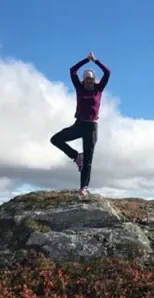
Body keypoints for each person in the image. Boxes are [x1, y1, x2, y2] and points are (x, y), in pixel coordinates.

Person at [50, 51, 111, 197]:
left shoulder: (98, 90)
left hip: (92, 127)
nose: (89, 80)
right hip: (79, 125)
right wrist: (86, 60)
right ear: (83, 80)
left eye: (91, 78)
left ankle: (84, 188)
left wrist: (95, 61)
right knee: (55, 139)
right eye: (87, 78)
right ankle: (76, 156)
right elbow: (72, 71)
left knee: (89, 159)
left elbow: (107, 72)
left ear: (94, 80)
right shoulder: (79, 88)